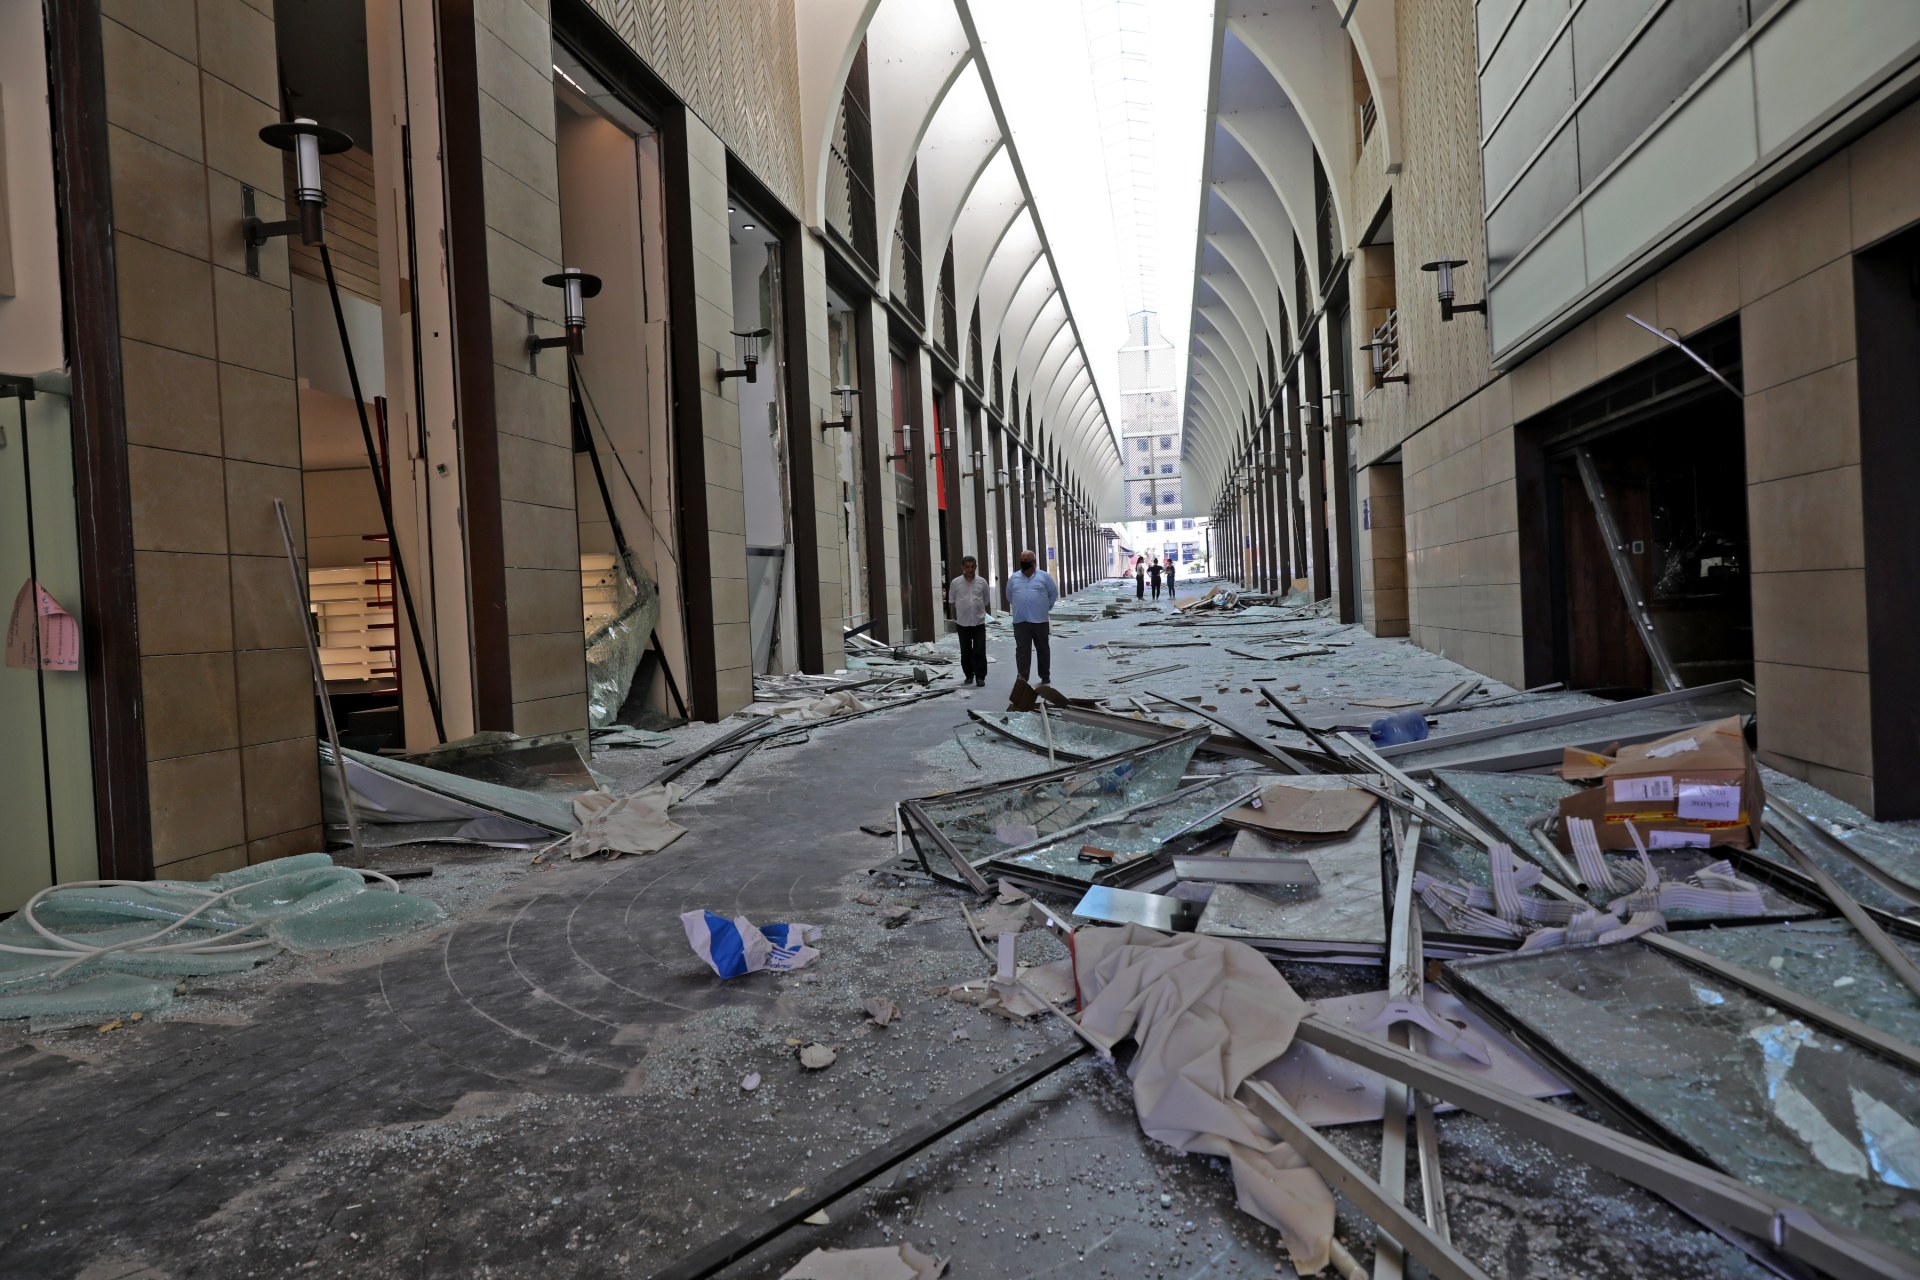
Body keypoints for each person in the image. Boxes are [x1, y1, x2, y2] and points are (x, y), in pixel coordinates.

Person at [1005, 548, 1058, 687]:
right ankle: (1022, 677)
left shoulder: (1044, 577)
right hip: (1021, 621)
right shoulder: (1014, 578)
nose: (1024, 562)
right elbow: (1009, 596)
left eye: (1027, 560)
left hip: (1040, 620)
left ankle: (1045, 675)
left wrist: (1046, 607)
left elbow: (1053, 594)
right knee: (1022, 651)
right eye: (1022, 560)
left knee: (1043, 649)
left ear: (1034, 562)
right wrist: (1020, 605)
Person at [946, 555, 991, 687]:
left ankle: (980, 677)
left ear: (976, 567)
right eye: (967, 567)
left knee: (979, 650)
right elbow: (952, 601)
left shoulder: (982, 582)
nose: (970, 569)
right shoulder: (955, 583)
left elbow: (986, 600)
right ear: (963, 567)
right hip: (963, 623)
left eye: (972, 566)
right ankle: (969, 675)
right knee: (965, 651)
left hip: (978, 622)